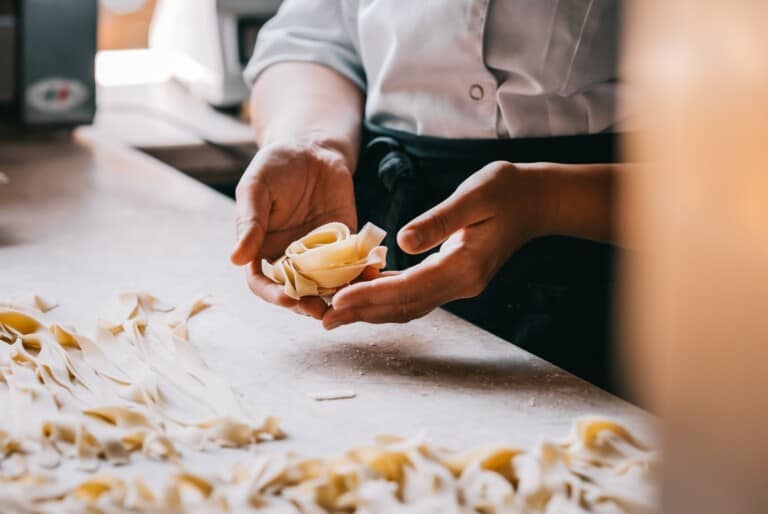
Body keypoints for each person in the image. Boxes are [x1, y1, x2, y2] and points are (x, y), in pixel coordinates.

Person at [231, 0, 626, 391]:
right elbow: (312, 37)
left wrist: (551, 202)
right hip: (384, 205)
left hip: (613, 261)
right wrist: (310, 141)